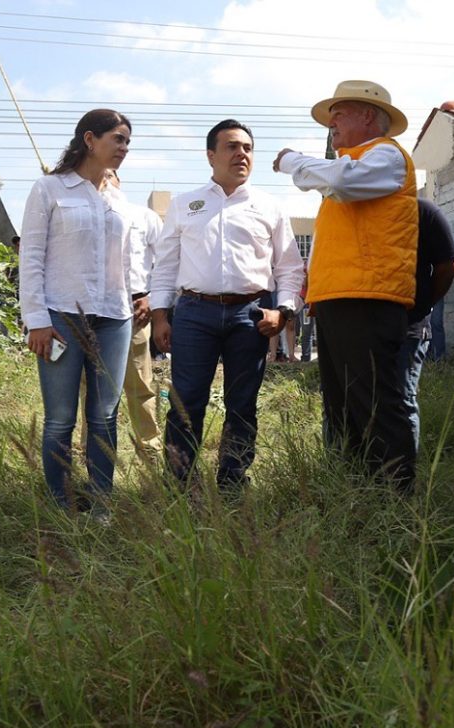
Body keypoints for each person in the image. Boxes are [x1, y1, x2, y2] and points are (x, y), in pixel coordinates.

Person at [273, 80, 418, 492]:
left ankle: (394, 499)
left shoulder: (385, 156)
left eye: (339, 113)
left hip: (367, 301)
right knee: (344, 408)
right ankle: (356, 492)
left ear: (368, 115)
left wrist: (291, 161)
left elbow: (341, 180)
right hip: (343, 301)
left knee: (373, 405)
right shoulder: (356, 164)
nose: (331, 122)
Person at [152, 119, 304, 490]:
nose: (242, 154)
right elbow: (166, 263)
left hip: (250, 315)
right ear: (211, 155)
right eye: (232, 147)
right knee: (186, 400)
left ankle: (233, 481)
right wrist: (159, 316)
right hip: (193, 313)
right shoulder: (186, 204)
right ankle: (180, 482)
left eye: (248, 148)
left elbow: (289, 267)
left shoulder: (269, 206)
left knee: (243, 400)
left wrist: (282, 311)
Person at [19, 109, 135, 510]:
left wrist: (141, 298)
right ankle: (62, 504)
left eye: (127, 142)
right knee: (60, 419)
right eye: (117, 139)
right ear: (90, 139)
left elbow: (127, 259)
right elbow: (31, 256)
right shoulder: (50, 189)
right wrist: (36, 320)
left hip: (114, 318)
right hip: (59, 318)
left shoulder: (118, 199)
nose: (123, 148)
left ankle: (102, 504)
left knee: (104, 416)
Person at [104, 168, 165, 461]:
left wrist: (152, 297)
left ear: (119, 179)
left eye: (110, 174)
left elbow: (167, 260)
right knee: (93, 390)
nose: (103, 178)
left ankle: (150, 452)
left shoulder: (144, 217)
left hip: (135, 310)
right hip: (90, 313)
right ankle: (95, 456)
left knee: (140, 385)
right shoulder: (78, 216)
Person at [400, 199, 454, 451]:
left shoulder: (425, 212)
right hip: (366, 329)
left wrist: (423, 304)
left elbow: (449, 268)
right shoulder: (358, 207)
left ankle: (403, 480)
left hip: (410, 327)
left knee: (402, 401)